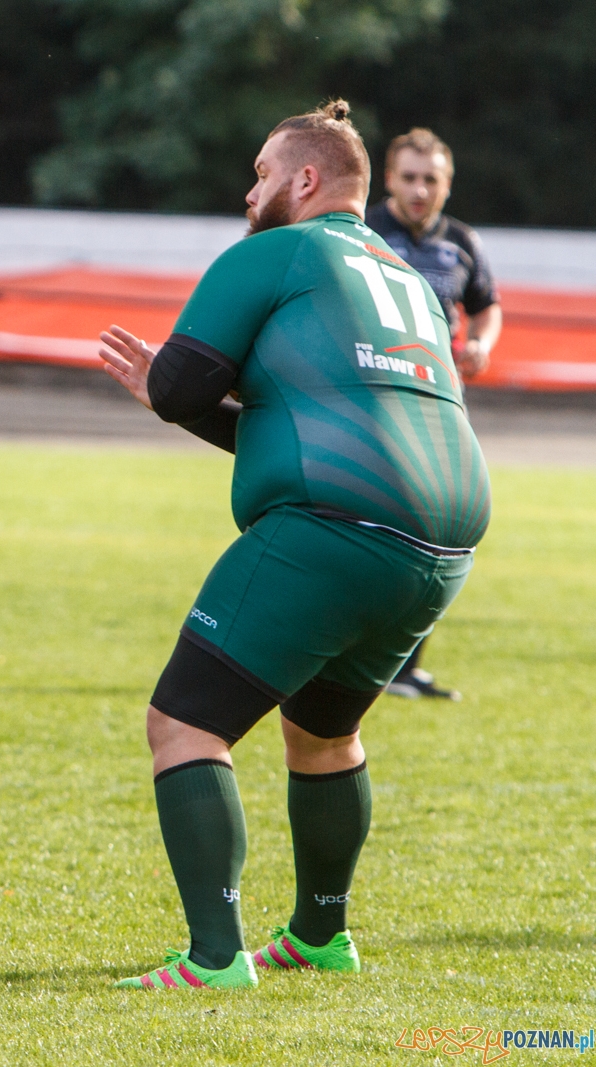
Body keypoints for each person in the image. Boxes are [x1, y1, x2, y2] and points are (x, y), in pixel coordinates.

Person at [97, 101, 487, 990]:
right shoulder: (408, 278)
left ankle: (215, 956)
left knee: (184, 723)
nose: (249, 192)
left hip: (336, 528)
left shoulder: (277, 250)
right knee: (323, 733)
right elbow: (321, 423)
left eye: (263, 173)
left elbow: (185, 378)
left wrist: (163, 384)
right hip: (441, 540)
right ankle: (320, 934)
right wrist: (173, 394)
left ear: (306, 180)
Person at [364, 127, 500, 702]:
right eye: (410, 177)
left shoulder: (462, 241)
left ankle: (404, 665)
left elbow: (487, 307)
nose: (420, 190)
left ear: (447, 185)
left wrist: (482, 344)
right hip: (373, 400)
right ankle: (357, 662)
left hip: (439, 403)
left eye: (432, 179)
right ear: (389, 179)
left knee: (439, 527)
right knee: (374, 524)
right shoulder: (362, 232)